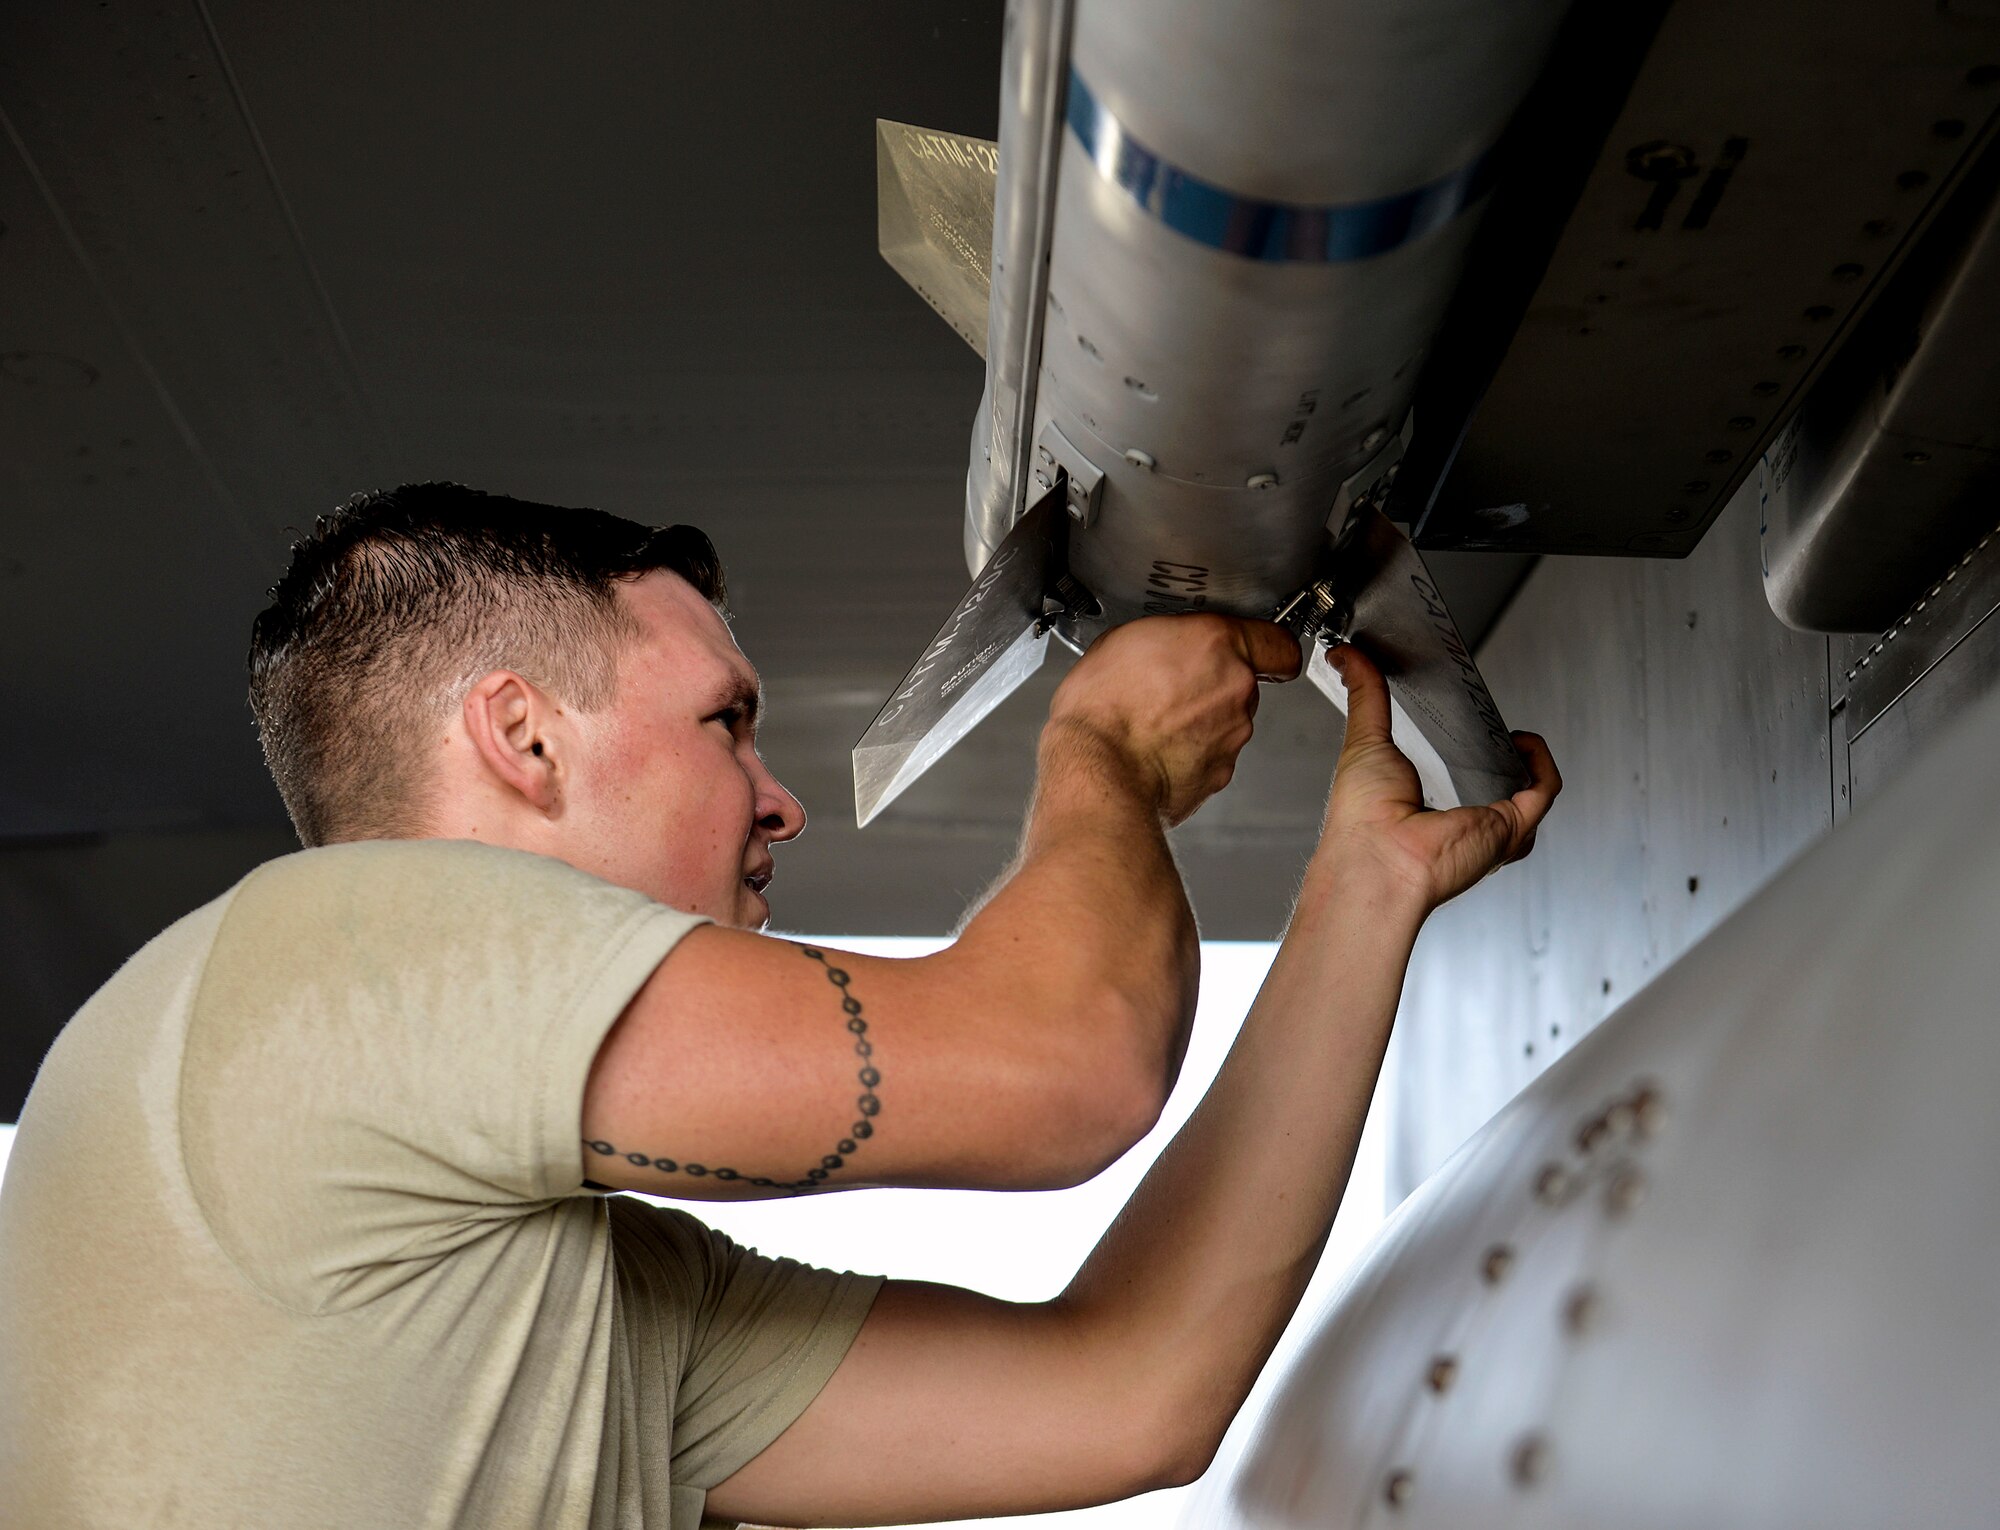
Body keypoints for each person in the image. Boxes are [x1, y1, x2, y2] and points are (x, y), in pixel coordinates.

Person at [0, 482, 1559, 1529]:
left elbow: (1134, 1386)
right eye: (725, 724)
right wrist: (1102, 763)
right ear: (520, 739)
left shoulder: (560, 1290)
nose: (778, 798)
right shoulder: (329, 957)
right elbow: (1066, 1064)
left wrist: (1362, 897)